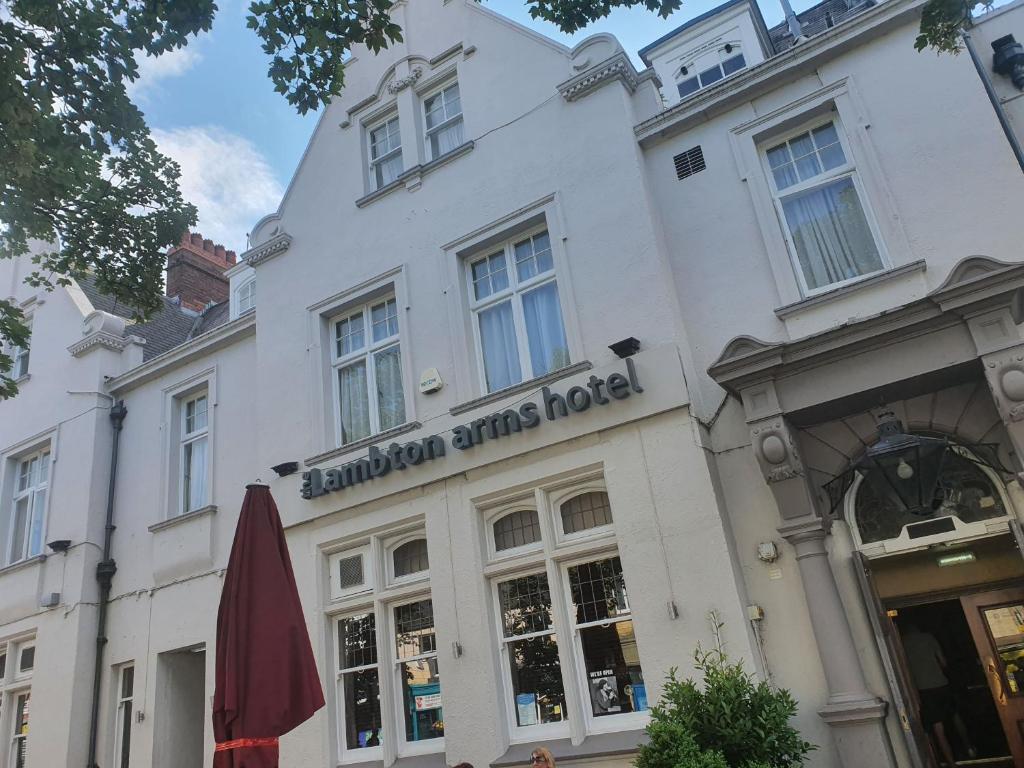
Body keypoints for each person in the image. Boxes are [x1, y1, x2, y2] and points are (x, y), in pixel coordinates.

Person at [900, 621, 975, 765]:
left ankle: (950, 762)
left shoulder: (902, 643)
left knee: (937, 728)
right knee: (955, 715)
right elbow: (943, 661)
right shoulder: (928, 637)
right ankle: (969, 746)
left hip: (923, 689)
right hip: (940, 683)